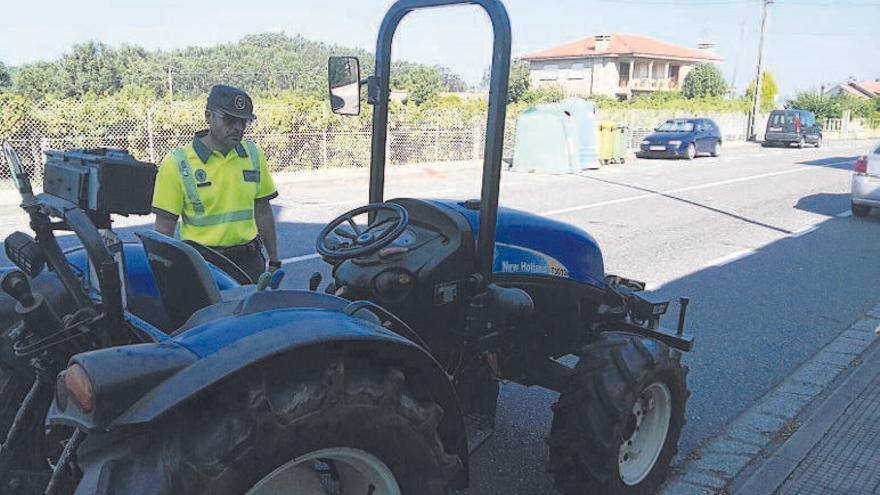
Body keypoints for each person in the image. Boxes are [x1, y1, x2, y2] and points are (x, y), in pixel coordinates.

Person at [151, 84, 280, 282]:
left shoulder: (253, 155)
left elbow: (262, 209)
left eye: (243, 121)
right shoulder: (177, 163)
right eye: (229, 120)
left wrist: (274, 260)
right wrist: (164, 277)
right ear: (208, 116)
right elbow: (164, 228)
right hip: (205, 267)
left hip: (250, 264)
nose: (238, 127)